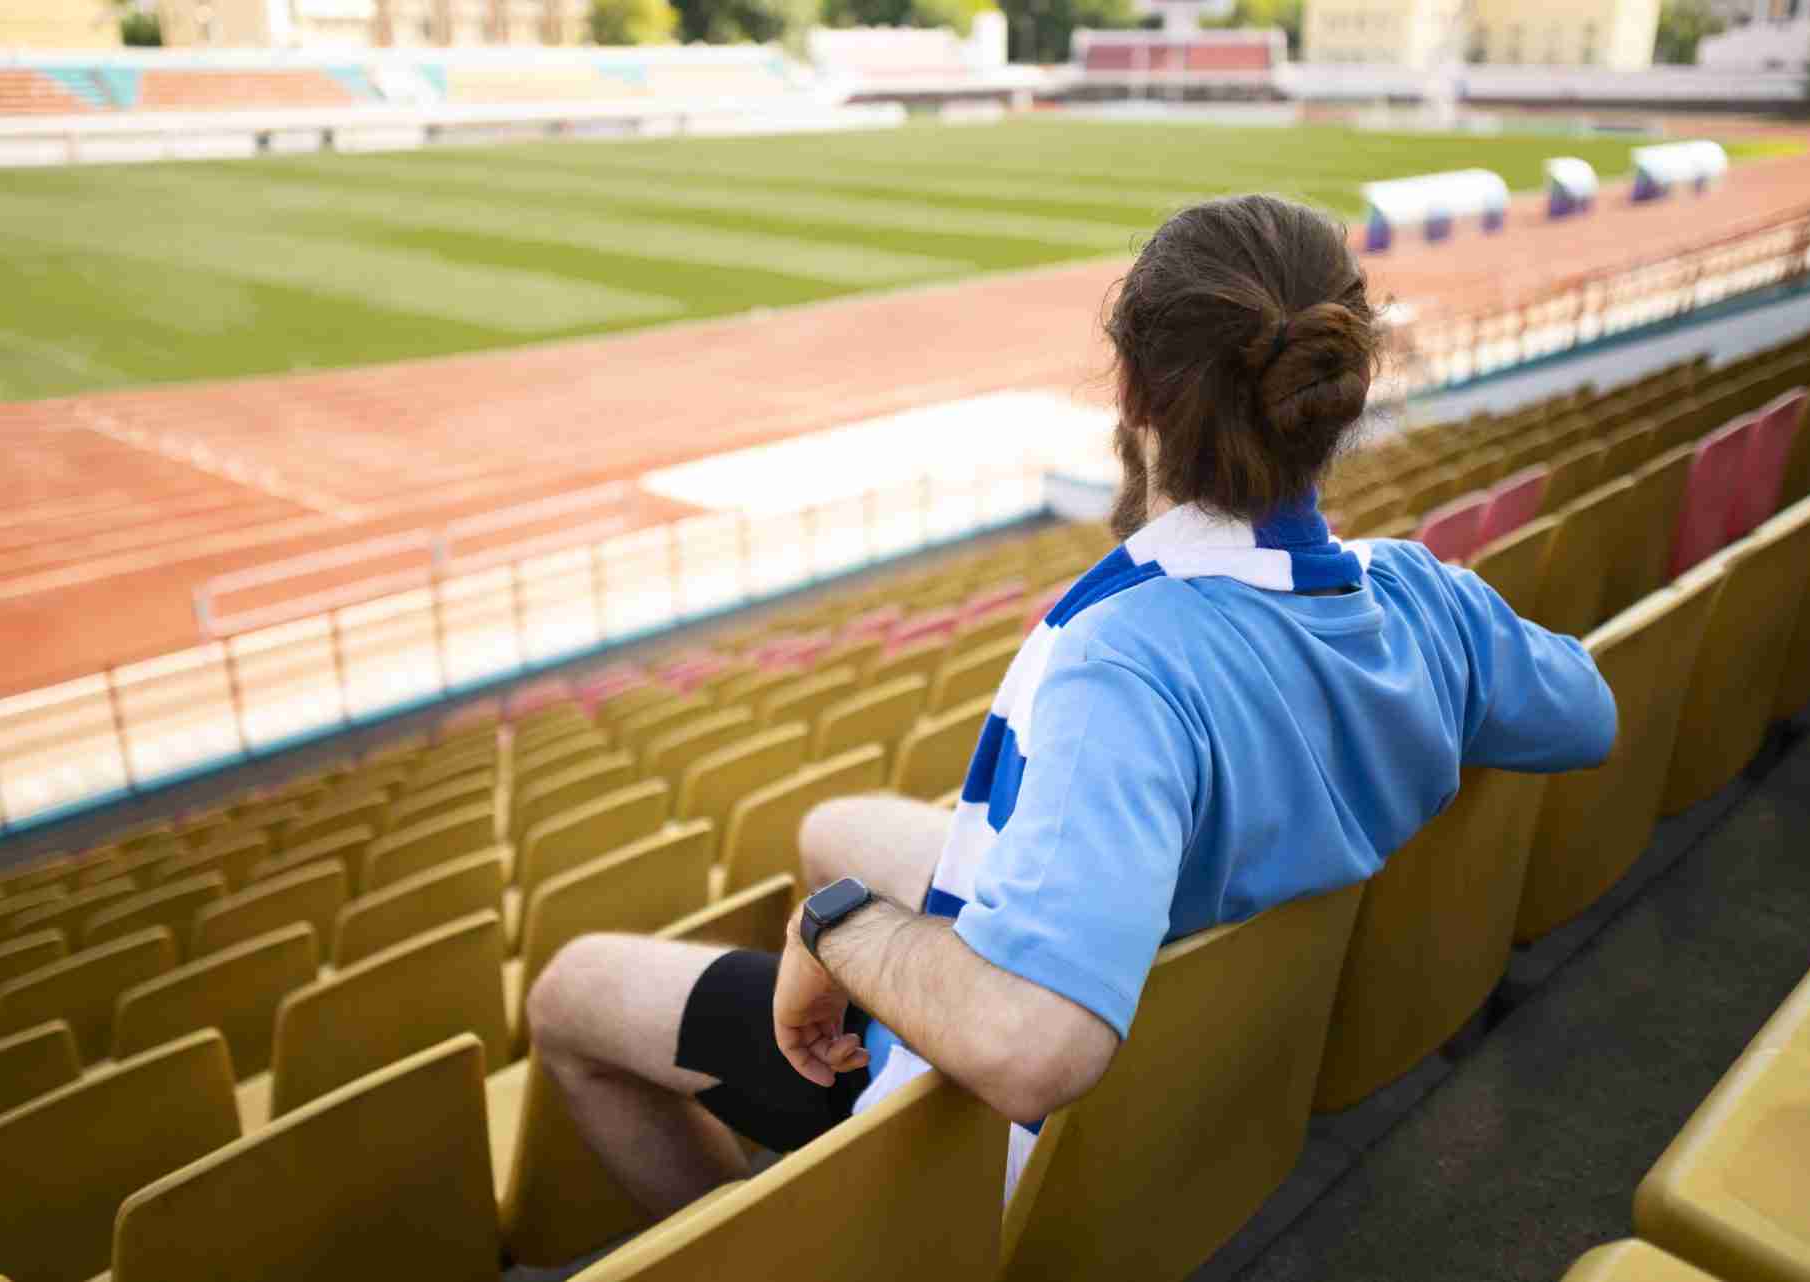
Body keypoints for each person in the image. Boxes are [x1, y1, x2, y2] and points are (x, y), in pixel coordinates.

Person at [525, 193, 1618, 1219]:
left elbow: (1040, 1047)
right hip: (1215, 1043)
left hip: (978, 1149)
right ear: (1340, 393)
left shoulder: (1121, 664)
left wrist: (840, 929)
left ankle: (777, 1237)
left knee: (569, 994)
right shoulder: (1425, 591)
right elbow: (1589, 714)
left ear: (1136, 396)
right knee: (830, 828)